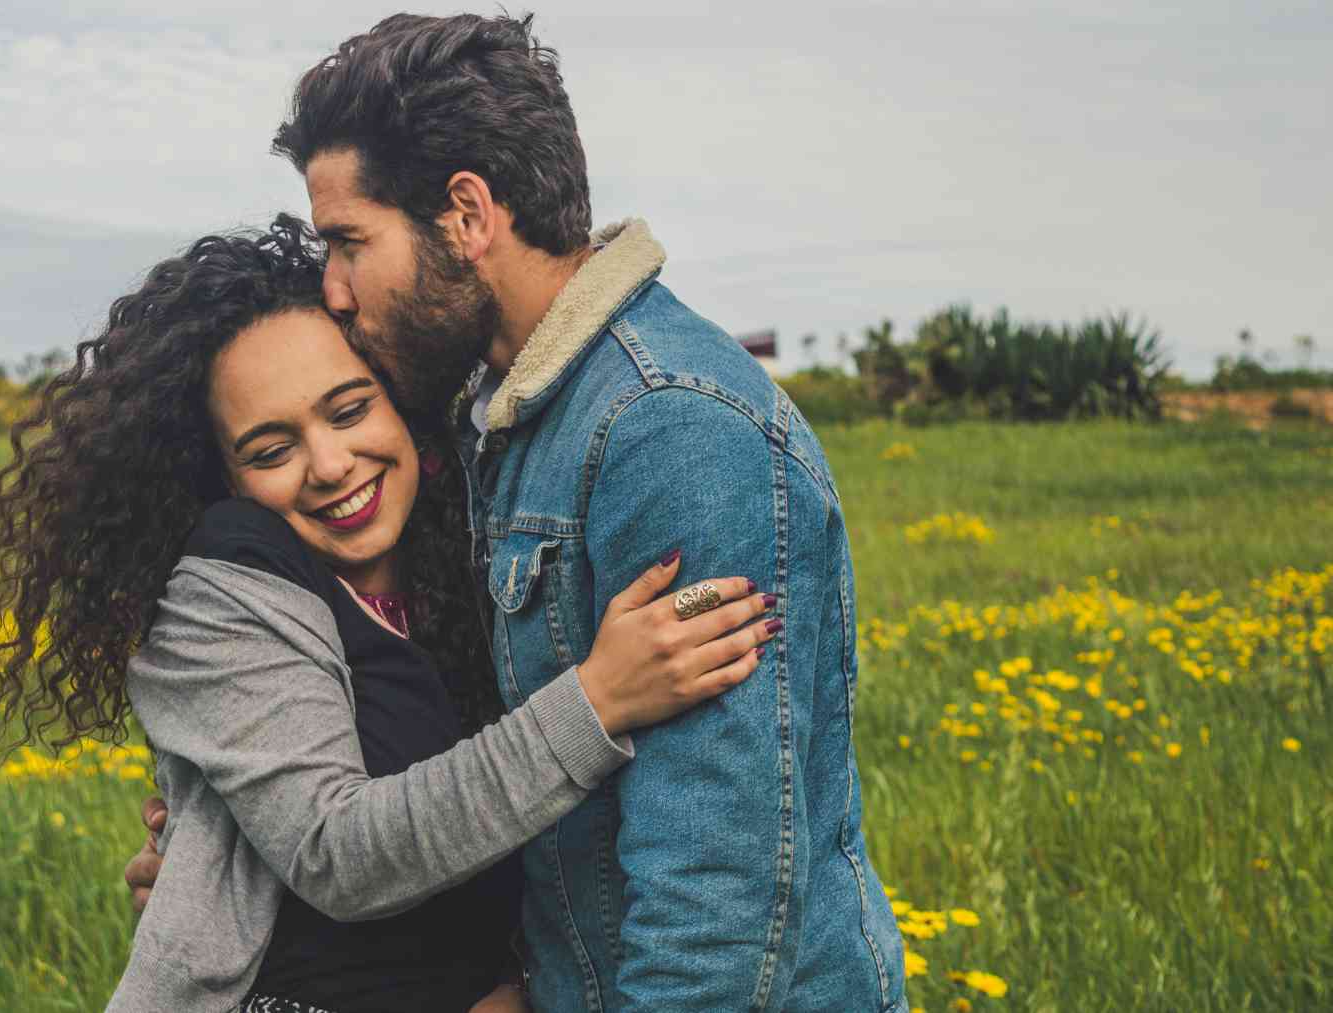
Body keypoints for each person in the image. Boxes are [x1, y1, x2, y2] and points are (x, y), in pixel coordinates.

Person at [127, 13, 907, 1013]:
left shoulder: (667, 430)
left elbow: (719, 895)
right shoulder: (502, 421)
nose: (332, 287)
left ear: (466, 215)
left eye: (349, 242)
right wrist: (221, 869)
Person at [0, 218, 778, 1013]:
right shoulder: (225, 583)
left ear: (406, 409)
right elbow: (338, 852)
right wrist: (599, 700)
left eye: (349, 410)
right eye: (271, 451)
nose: (330, 464)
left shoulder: (470, 560)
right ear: (227, 478)